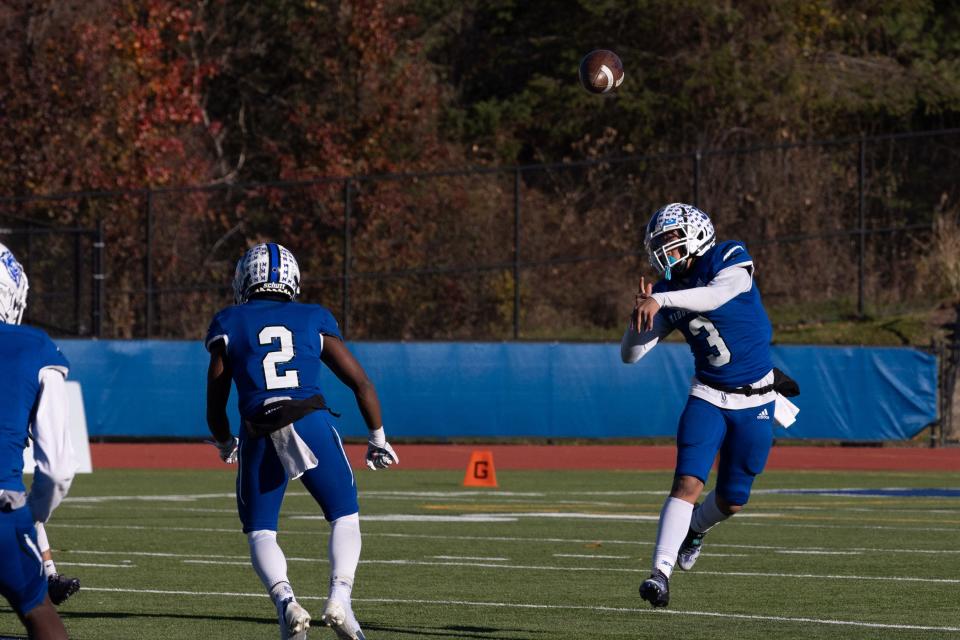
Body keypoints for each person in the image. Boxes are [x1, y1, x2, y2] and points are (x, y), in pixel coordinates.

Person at [205, 242, 399, 640]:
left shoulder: (230, 320)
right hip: (310, 419)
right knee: (344, 515)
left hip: (259, 425)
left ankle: (286, 602)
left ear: (246, 278)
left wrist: (226, 442)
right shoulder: (313, 316)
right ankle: (340, 598)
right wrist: (377, 437)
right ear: (291, 279)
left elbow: (215, 401)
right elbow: (360, 382)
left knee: (261, 530)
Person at [620, 203, 799, 608]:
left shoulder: (729, 256)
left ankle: (696, 530)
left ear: (696, 233)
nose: (665, 249)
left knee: (734, 498)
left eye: (670, 238)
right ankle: (659, 575)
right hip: (708, 395)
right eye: (659, 243)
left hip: (754, 396)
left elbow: (719, 294)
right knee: (687, 482)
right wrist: (638, 318)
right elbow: (631, 355)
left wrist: (663, 303)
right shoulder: (666, 292)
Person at [0, 243, 77, 638]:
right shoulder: (33, 347)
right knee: (38, 611)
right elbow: (58, 469)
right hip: (1, 506)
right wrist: (33, 517)